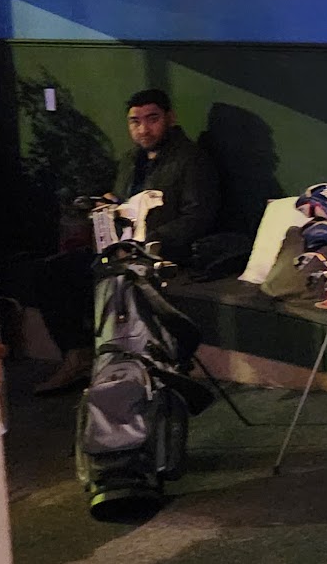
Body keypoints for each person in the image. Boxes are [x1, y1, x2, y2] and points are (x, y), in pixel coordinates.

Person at [32, 88, 222, 394]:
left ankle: (126, 366)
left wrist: (148, 240)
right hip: (122, 247)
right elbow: (125, 203)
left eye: (152, 119)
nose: (143, 129)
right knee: (51, 271)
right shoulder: (131, 160)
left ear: (170, 118)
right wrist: (109, 205)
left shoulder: (191, 159)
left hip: (161, 252)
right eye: (135, 121)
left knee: (97, 276)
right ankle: (78, 355)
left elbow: (197, 218)